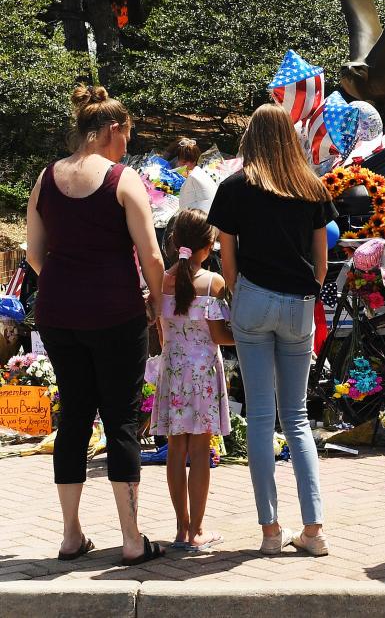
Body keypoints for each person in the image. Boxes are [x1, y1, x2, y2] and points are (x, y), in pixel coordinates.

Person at [26, 85, 166, 565]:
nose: (128, 144)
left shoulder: (45, 179)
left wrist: (69, 281)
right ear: (111, 130)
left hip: (58, 314)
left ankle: (70, 535)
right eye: (127, 134)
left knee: (74, 417)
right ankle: (131, 539)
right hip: (115, 312)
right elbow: (151, 255)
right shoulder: (123, 181)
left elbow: (33, 256)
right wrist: (155, 302)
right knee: (121, 418)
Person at [207, 103, 337, 557]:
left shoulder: (236, 187)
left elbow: (227, 253)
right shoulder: (311, 186)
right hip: (299, 302)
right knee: (297, 417)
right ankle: (314, 529)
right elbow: (322, 256)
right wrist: (312, 290)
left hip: (253, 298)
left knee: (261, 417)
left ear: (251, 138)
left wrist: (238, 294)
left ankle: (269, 530)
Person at [150, 209, 233, 551]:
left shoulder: (161, 280)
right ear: (209, 245)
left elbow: (160, 330)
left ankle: (180, 529)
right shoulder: (213, 283)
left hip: (172, 371)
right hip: (202, 375)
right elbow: (218, 334)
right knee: (200, 451)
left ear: (174, 242)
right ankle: (197, 531)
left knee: (175, 450)